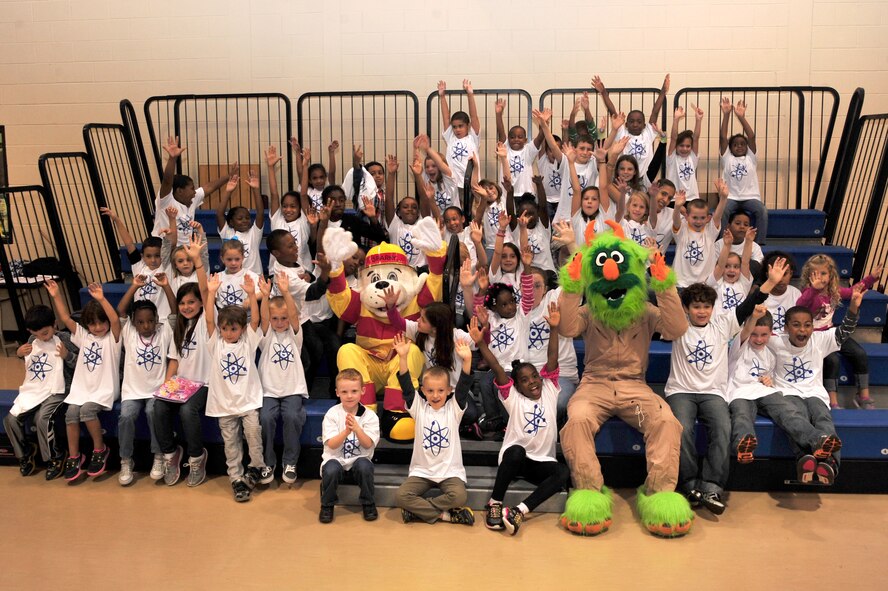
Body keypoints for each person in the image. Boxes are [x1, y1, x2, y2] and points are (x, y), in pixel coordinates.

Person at [664, 259, 780, 515]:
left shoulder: (723, 323)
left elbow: (749, 305)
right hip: (680, 391)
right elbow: (666, 295)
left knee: (723, 427)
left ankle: (712, 486)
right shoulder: (678, 326)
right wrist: (656, 266)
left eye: (707, 306)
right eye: (696, 307)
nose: (702, 311)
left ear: (713, 307)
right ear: (687, 308)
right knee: (680, 430)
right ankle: (690, 484)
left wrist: (769, 283)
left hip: (713, 393)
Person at [471, 303, 570, 535]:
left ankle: (518, 511)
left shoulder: (549, 389)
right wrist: (481, 342)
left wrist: (554, 329)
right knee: (515, 451)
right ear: (515, 386)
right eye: (525, 380)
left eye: (534, 376)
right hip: (516, 459)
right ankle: (494, 503)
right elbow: (496, 366)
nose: (533, 382)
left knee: (563, 472)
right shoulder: (512, 398)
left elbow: (552, 356)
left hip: (540, 461)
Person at [727, 306, 846, 477]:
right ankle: (743, 444)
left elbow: (770, 372)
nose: (759, 339)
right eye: (754, 334)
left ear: (771, 334)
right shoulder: (740, 345)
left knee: (789, 412)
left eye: (764, 335)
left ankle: (817, 440)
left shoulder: (771, 350)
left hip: (764, 391)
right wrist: (753, 316)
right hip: (739, 393)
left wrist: (769, 379)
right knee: (742, 416)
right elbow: (746, 331)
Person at [767, 287, 866, 484]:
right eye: (796, 325)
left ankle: (829, 465)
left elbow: (845, 330)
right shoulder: (775, 342)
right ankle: (806, 459)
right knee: (796, 418)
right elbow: (750, 337)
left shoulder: (820, 340)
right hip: (788, 394)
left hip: (815, 393)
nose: (802, 330)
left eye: (807, 325)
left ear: (813, 327)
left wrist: (853, 308)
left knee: (823, 419)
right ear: (786, 328)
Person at [393, 334, 476, 526]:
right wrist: (403, 358)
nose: (435, 395)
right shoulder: (419, 408)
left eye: (440, 390)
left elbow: (463, 387)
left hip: (449, 472)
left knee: (459, 497)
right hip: (422, 471)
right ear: (423, 390)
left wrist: (468, 359)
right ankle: (445, 516)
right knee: (401, 496)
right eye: (430, 391)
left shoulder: (454, 409)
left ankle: (419, 512)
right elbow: (406, 387)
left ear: (449, 391)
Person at [45, 279, 122, 482]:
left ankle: (100, 449)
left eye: (101, 322)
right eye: (92, 323)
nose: (97, 327)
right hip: (82, 388)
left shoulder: (112, 339)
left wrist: (102, 299)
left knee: (87, 411)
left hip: (105, 388)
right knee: (71, 413)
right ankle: (74, 456)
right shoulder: (83, 337)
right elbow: (65, 318)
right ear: (86, 325)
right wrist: (56, 296)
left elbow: (115, 321)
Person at [205, 272, 268, 502]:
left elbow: (255, 321)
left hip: (248, 402)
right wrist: (211, 293)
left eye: (233, 329)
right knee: (230, 444)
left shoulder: (248, 342)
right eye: (225, 329)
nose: (228, 333)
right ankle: (236, 478)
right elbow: (210, 320)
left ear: (241, 329)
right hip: (224, 405)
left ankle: (256, 467)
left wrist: (252, 295)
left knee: (253, 433)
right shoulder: (216, 344)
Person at [155, 236, 211, 487]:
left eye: (192, 302)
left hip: (204, 385)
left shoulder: (207, 324)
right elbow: (174, 361)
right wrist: (166, 387)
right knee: (158, 406)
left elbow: (206, 291)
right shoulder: (178, 325)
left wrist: (198, 261)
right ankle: (170, 453)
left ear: (201, 303)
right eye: (183, 303)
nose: (187, 307)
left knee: (188, 410)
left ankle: (197, 457)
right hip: (182, 384)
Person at [115, 274, 176, 486]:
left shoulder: (164, 331)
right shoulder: (129, 332)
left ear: (157, 319)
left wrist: (167, 287)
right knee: (126, 416)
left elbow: (175, 312)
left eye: (151, 320)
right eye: (141, 322)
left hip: (155, 391)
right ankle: (126, 459)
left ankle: (158, 456)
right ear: (134, 322)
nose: (147, 326)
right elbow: (120, 311)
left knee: (153, 412)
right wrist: (133, 286)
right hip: (132, 391)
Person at [797, 255, 881, 409]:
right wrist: (813, 291)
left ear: (831, 276)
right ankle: (832, 400)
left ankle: (863, 395)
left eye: (823, 274)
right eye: (815, 274)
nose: (820, 278)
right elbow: (800, 306)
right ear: (809, 276)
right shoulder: (808, 293)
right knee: (832, 360)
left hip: (832, 333)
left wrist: (871, 278)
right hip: (813, 337)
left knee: (859, 353)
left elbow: (854, 290)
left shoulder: (834, 291)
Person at [4, 304, 77, 480]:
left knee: (42, 417)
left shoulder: (65, 339)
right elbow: (33, 366)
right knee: (11, 418)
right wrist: (20, 354)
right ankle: (25, 453)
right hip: (37, 388)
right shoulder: (31, 341)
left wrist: (68, 356)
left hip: (60, 389)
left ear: (55, 325)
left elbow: (81, 366)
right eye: (36, 335)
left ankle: (56, 456)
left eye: (45, 333)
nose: (42, 338)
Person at [151, 136, 235, 268]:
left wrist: (228, 177)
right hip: (165, 250)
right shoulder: (166, 201)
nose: (194, 191)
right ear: (179, 191)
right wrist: (172, 159)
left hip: (185, 251)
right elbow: (167, 181)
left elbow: (209, 187)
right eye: (191, 188)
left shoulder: (192, 198)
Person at [257, 273, 309, 485]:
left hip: (293, 389)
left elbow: (294, 315)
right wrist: (265, 296)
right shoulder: (266, 337)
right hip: (268, 390)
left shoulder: (295, 336)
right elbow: (263, 319)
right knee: (266, 419)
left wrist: (286, 291)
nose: (279, 323)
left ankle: (290, 461)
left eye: (283, 318)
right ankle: (268, 462)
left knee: (292, 417)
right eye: (275, 318)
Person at [319, 369, 380, 523]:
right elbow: (332, 445)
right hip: (336, 458)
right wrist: (346, 431)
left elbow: (367, 444)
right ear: (337, 392)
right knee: (331, 470)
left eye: (354, 391)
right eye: (344, 391)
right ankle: (327, 504)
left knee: (365, 467)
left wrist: (357, 429)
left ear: (362, 391)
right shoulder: (332, 414)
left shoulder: (370, 416)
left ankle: (368, 502)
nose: (349, 396)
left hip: (359, 458)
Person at [599, 74, 670, 185]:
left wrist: (663, 91)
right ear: (626, 124)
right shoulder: (622, 132)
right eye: (631, 122)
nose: (635, 124)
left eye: (639, 122)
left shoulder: (648, 133)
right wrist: (603, 92)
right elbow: (612, 111)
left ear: (645, 125)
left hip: (644, 178)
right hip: (624, 178)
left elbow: (655, 112)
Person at [102, 207, 173, 317]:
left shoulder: (166, 267)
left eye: (157, 256)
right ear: (142, 257)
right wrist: (116, 219)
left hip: (162, 319)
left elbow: (171, 244)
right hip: (140, 319)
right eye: (148, 256)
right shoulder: (139, 267)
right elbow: (129, 243)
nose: (153, 260)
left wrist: (169, 231)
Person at [719, 97, 767, 243]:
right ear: (730, 148)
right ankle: (721, 241)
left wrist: (741, 117)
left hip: (750, 197)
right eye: (735, 145)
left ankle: (759, 243)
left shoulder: (751, 158)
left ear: (747, 148)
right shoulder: (727, 158)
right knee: (723, 211)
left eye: (742, 144)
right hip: (731, 197)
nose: (739, 146)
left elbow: (751, 136)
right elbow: (723, 137)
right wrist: (726, 114)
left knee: (762, 211)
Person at [266, 145, 315, 274]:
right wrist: (270, 167)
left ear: (300, 209)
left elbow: (303, 194)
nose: (288, 210)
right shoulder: (277, 220)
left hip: (302, 271)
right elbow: (274, 194)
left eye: (293, 206)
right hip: (277, 272)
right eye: (285, 206)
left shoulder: (303, 222)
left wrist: (305, 166)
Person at [672, 180, 729, 288]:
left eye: (702, 218)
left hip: (705, 285)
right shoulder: (683, 230)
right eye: (694, 217)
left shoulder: (710, 232)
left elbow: (718, 215)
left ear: (708, 218)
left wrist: (723, 198)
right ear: (687, 216)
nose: (698, 221)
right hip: (681, 284)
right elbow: (675, 220)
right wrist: (677, 207)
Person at [216, 170, 265, 276]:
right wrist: (228, 191)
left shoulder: (254, 233)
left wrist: (256, 190)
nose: (245, 221)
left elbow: (260, 212)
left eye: (247, 218)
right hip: (233, 276)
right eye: (240, 218)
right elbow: (219, 214)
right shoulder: (227, 233)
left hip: (254, 276)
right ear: (231, 222)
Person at [438, 79, 481, 189]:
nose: (457, 129)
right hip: (453, 184)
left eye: (461, 126)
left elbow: (474, 116)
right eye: (454, 127)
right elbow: (446, 118)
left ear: (468, 126)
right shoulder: (451, 137)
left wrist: (470, 94)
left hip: (471, 184)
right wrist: (442, 97)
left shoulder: (473, 137)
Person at [495, 98, 543, 194]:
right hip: (507, 193)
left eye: (520, 137)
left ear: (525, 140)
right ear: (508, 139)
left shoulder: (528, 150)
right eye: (512, 137)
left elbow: (541, 137)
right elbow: (501, 132)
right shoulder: (505, 149)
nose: (516, 139)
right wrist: (498, 114)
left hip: (526, 193)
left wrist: (543, 123)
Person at [709, 226, 756, 314]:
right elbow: (720, 265)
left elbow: (745, 262)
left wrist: (748, 241)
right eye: (727, 266)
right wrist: (727, 245)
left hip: (739, 325)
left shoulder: (743, 283)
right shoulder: (716, 283)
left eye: (736, 266)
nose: (731, 270)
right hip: (719, 325)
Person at [291, 137, 338, 212]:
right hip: (311, 221)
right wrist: (297, 152)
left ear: (326, 178)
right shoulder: (308, 191)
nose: (319, 181)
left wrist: (331, 152)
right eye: (315, 178)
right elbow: (300, 173)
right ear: (309, 180)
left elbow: (332, 173)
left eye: (321, 177)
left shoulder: (328, 189)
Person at [713, 209, 764, 278]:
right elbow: (714, 266)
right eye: (737, 223)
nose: (742, 227)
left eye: (746, 224)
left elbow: (757, 267)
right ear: (728, 226)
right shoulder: (719, 244)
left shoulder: (754, 246)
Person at [758, 251, 801, 334]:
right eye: (776, 274)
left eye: (784, 274)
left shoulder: (796, 293)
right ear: (768, 275)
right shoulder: (761, 293)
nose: (780, 279)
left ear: (791, 274)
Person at [667, 104, 704, 199]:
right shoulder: (672, 158)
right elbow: (674, 138)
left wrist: (698, 120)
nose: (684, 149)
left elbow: (695, 138)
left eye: (688, 146)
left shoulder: (692, 157)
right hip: (675, 198)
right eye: (681, 146)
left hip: (692, 198)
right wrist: (676, 119)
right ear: (676, 146)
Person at [213, 239, 260, 310]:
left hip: (246, 316)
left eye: (237, 259)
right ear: (222, 259)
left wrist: (251, 298)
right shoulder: (217, 278)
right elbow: (211, 299)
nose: (233, 263)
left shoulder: (251, 275)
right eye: (229, 259)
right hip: (223, 317)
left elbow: (262, 292)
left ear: (243, 258)